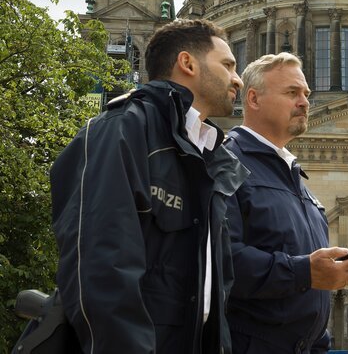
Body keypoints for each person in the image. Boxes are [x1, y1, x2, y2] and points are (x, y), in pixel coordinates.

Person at [50, 19, 248, 353]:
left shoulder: (212, 157)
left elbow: (211, 296)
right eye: (228, 64)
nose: (238, 78)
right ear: (187, 63)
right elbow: (100, 273)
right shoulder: (121, 130)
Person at [224, 53, 348, 354]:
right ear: (253, 99)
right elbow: (221, 260)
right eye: (292, 93)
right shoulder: (225, 162)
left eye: (306, 94)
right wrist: (305, 271)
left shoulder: (296, 180)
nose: (304, 102)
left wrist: (319, 345)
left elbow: (307, 292)